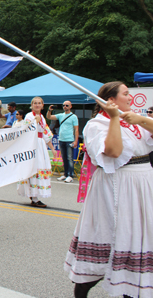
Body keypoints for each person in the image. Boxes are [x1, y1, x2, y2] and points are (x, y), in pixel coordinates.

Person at [64, 82, 153, 298]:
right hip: (116, 186)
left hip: (143, 183)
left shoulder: (135, 119)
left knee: (138, 240)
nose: (130, 97)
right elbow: (113, 152)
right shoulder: (96, 124)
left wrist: (141, 119)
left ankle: (131, 290)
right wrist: (115, 118)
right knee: (110, 238)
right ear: (111, 100)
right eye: (125, 94)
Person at [17, 97, 57, 208]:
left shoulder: (43, 118)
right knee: (34, 168)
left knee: (40, 167)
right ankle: (34, 197)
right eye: (35, 103)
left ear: (42, 105)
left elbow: (46, 134)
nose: (37, 105)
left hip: (40, 144)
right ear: (32, 105)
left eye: (39, 103)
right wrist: (35, 121)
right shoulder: (29, 116)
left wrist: (52, 148)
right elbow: (26, 130)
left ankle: (34, 194)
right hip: (32, 143)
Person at [47, 101, 79, 183]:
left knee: (69, 158)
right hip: (61, 139)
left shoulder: (74, 117)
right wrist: (49, 110)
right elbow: (49, 117)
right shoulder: (61, 115)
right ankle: (65, 174)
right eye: (64, 105)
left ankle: (70, 175)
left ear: (70, 106)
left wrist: (76, 141)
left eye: (67, 105)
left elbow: (76, 129)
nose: (65, 106)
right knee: (64, 158)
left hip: (69, 139)